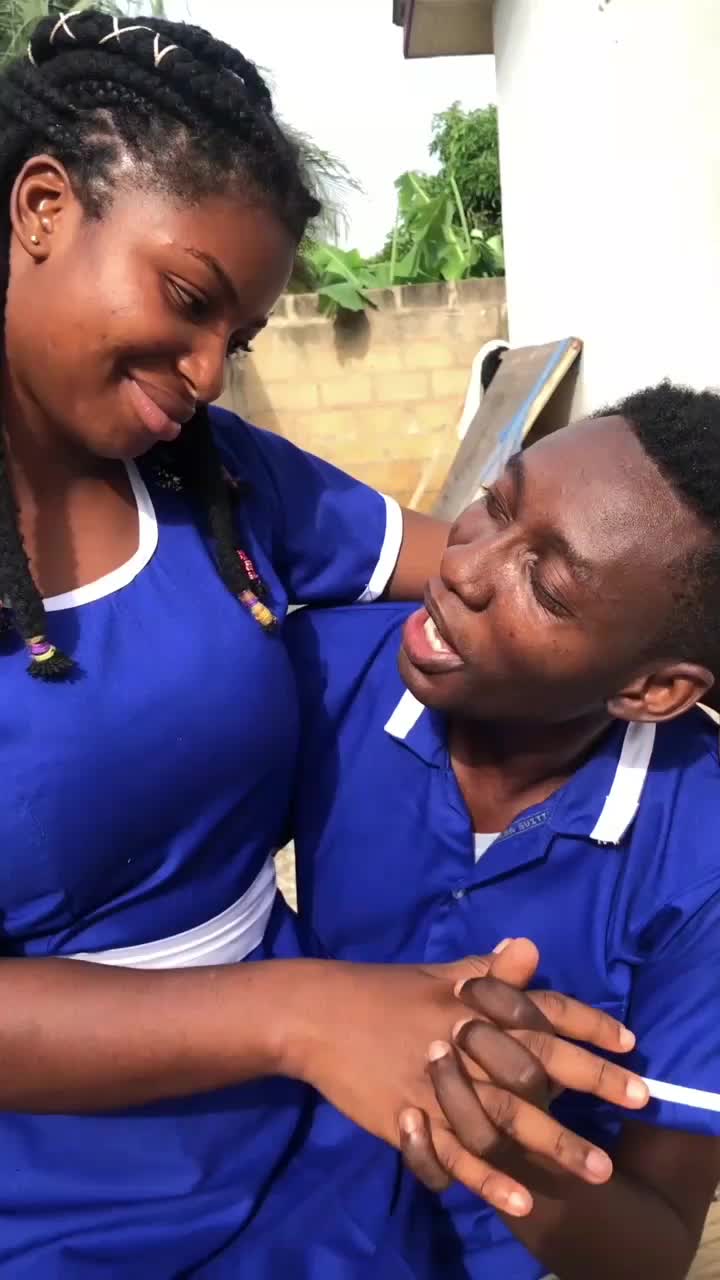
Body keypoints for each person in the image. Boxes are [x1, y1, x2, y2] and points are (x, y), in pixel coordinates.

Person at [0, 10, 649, 1277]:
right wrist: (299, 1013)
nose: (206, 372)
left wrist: (653, 640)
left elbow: (480, 569)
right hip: (68, 1196)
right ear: (41, 207)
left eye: (234, 339)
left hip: (316, 1131)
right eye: (189, 299)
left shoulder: (209, 481)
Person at [289, 381, 720, 1280]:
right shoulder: (328, 672)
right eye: (496, 502)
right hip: (276, 1210)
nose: (464, 569)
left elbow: (656, 1246)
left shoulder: (701, 854)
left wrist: (499, 1136)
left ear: (651, 690)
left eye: (548, 587)